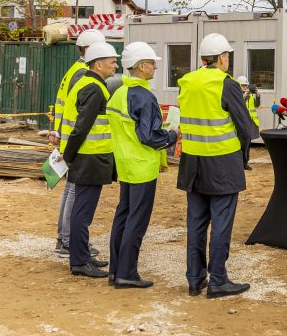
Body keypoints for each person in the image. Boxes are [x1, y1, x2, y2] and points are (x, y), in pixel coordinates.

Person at [177, 32, 256, 298]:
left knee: (196, 223)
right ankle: (218, 280)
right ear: (222, 57)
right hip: (221, 164)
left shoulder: (186, 81)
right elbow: (246, 127)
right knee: (221, 223)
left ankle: (194, 279)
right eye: (227, 57)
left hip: (192, 163)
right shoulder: (227, 83)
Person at [106, 42, 177, 289]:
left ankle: (116, 271)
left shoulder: (119, 93)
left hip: (125, 164)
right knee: (137, 220)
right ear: (142, 66)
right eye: (152, 63)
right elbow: (149, 136)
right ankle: (127, 273)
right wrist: (171, 136)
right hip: (142, 166)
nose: (155, 67)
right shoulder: (144, 97)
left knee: (123, 217)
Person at [60, 41, 118, 278]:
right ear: (98, 64)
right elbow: (82, 127)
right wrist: (69, 156)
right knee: (82, 213)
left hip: (87, 157)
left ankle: (82, 256)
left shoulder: (87, 83)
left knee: (82, 212)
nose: (116, 65)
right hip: (89, 158)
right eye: (112, 61)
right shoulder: (94, 88)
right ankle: (80, 262)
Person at [51, 28, 106, 258]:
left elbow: (63, 104)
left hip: (68, 138)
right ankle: (68, 241)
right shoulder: (83, 73)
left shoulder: (74, 70)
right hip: (77, 141)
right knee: (74, 192)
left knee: (70, 190)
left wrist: (57, 132)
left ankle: (64, 239)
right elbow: (80, 113)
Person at [235, 76, 260, 170]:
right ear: (238, 85)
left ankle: (245, 163)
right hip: (241, 123)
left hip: (250, 122)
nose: (245, 87)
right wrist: (243, 97)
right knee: (240, 145)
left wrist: (258, 95)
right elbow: (237, 106)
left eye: (246, 85)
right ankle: (239, 164)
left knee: (247, 144)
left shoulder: (249, 96)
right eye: (243, 85)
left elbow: (257, 105)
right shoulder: (236, 95)